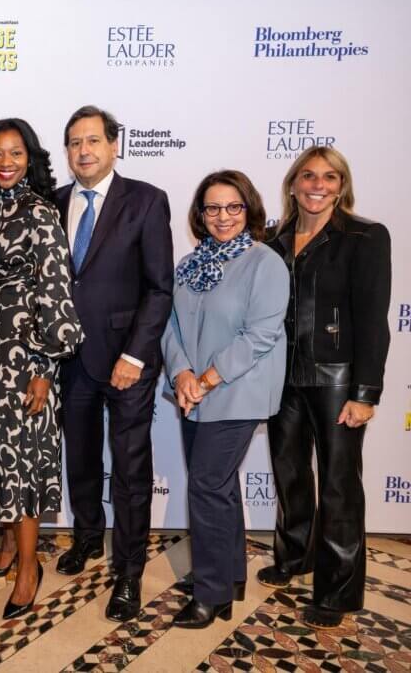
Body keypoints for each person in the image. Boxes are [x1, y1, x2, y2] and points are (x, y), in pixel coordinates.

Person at [260, 146, 391, 630]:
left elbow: (374, 320)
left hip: (337, 378)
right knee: (289, 474)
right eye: (309, 176)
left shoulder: (365, 237)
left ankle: (338, 592)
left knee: (338, 484)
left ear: (342, 185)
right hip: (281, 375)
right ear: (293, 184)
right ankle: (296, 557)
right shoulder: (273, 241)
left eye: (329, 177)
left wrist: (366, 393)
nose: (318, 185)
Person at [53, 105, 173, 622]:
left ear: (114, 145)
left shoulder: (146, 201)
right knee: (79, 458)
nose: (84, 151)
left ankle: (129, 573)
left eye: (93, 141)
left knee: (129, 470)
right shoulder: (54, 202)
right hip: (71, 360)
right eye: (75, 143)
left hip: (128, 362)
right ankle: (86, 537)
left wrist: (134, 355)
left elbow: (159, 288)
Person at [0, 118, 82, 620]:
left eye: (15, 154)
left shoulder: (40, 212)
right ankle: (9, 546)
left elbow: (56, 290)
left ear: (30, 158)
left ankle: (30, 568)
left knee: (22, 462)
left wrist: (43, 366)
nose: (6, 162)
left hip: (27, 354)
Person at [161, 171, 288, 628]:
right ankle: (229, 575)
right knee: (218, 486)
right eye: (212, 208)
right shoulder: (192, 262)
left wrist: (206, 379)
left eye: (232, 207)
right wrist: (181, 373)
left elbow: (259, 335)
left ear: (248, 209)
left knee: (206, 486)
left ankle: (211, 595)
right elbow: (170, 323)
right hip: (193, 393)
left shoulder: (265, 263)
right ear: (200, 214)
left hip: (237, 393)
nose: (222, 217)